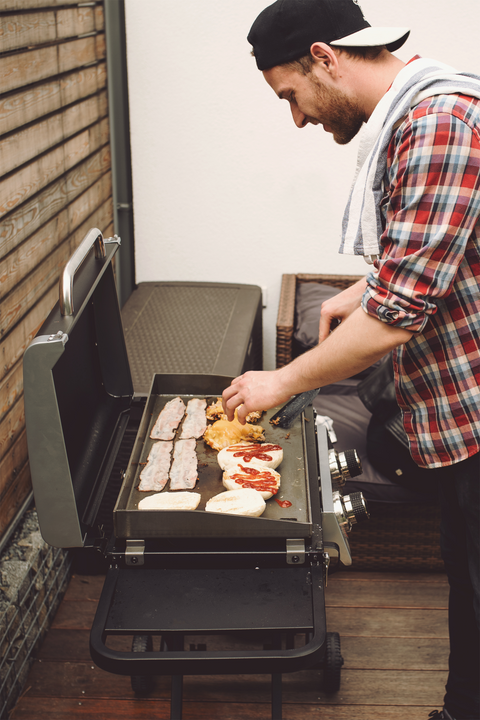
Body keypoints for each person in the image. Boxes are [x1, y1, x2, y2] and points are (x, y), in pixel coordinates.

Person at [222, 1, 480, 718]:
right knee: (466, 573)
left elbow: (399, 317)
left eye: (291, 97)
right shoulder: (423, 113)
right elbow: (440, 250)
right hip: (462, 406)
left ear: (325, 57)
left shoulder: (435, 124)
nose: (298, 120)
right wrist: (365, 287)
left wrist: (282, 379)